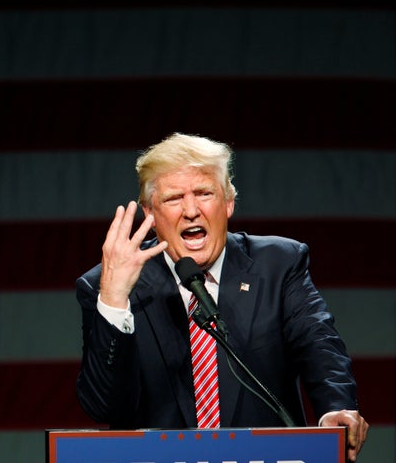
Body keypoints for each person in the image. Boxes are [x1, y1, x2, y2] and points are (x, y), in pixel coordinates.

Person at [75, 133, 369, 461]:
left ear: (228, 202)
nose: (191, 210)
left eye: (204, 193)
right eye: (174, 198)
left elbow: (320, 347)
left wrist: (335, 408)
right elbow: (103, 406)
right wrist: (114, 299)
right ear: (150, 213)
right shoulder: (107, 286)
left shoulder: (278, 264)